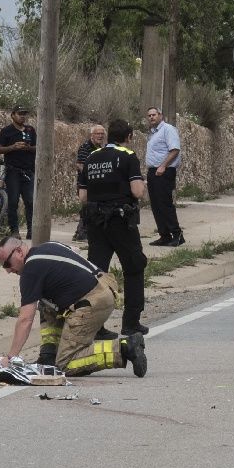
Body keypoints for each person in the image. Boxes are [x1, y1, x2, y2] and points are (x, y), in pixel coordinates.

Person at [0, 236, 146, 378]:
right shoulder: (49, 246)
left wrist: (10, 358)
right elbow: (74, 250)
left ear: (19, 251)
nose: (8, 270)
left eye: (7, 263)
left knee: (65, 365)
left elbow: (25, 319)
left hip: (92, 302)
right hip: (105, 286)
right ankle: (48, 355)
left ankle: (124, 348)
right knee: (45, 302)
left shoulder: (31, 270)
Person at [80, 119, 149, 336]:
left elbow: (83, 197)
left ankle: (96, 326)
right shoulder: (128, 156)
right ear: (128, 137)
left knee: (97, 273)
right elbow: (137, 191)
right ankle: (131, 323)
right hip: (121, 221)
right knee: (134, 266)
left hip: (96, 222)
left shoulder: (91, 157)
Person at [0, 104, 37, 240]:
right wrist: (13, 147)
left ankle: (31, 230)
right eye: (20, 113)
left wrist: (28, 148)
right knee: (13, 201)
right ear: (13, 115)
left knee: (30, 201)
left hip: (28, 171)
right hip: (12, 171)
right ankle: (14, 230)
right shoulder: (6, 131)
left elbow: (39, 147)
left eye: (24, 113)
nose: (22, 116)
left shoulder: (31, 130)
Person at [144, 105, 184, 247]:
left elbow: (175, 150)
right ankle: (164, 235)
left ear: (160, 115)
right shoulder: (153, 133)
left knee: (165, 204)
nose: (151, 117)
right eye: (149, 115)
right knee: (156, 205)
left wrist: (163, 166)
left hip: (164, 171)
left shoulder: (167, 129)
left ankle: (177, 234)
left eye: (154, 114)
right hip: (153, 172)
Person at [70, 123, 107, 243]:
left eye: (102, 134)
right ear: (92, 135)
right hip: (86, 184)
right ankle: (82, 233)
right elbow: (80, 165)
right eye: (98, 133)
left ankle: (80, 233)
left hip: (96, 183)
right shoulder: (85, 147)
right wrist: (91, 176)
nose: (100, 136)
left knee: (90, 207)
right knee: (87, 207)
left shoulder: (102, 148)